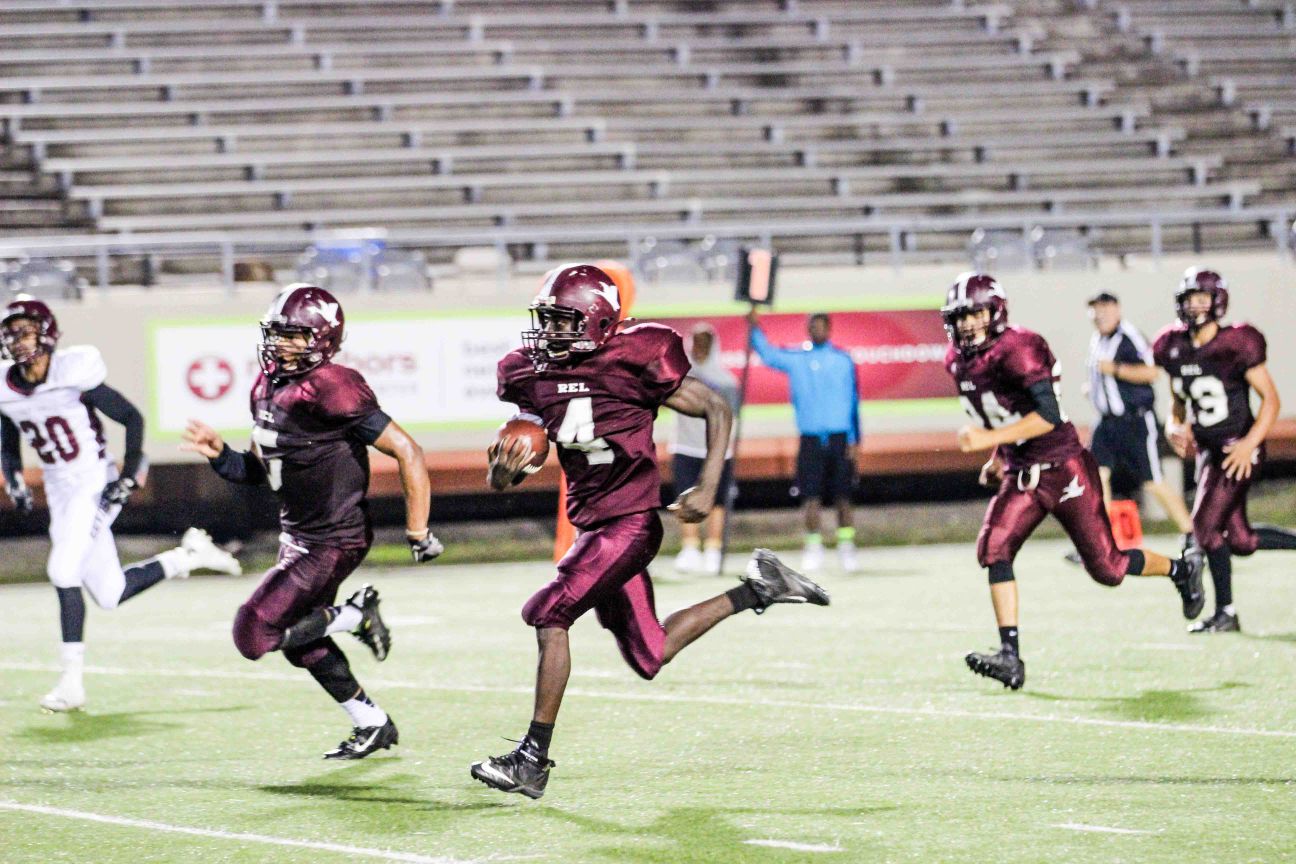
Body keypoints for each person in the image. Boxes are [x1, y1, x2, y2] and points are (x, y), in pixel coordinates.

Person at [472, 264, 829, 799]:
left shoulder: (634, 355)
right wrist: (502, 473)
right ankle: (759, 587)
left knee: (548, 613)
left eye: (563, 321)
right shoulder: (530, 371)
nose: (549, 332)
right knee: (650, 655)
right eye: (546, 319)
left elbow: (714, 405)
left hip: (631, 523)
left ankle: (532, 759)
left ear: (596, 323)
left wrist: (709, 487)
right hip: (594, 526)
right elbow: (518, 456)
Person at [182, 283, 444, 758]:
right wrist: (221, 455)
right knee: (301, 640)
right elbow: (261, 472)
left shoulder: (334, 386)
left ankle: (354, 615)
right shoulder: (265, 387)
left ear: (322, 339)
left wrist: (418, 529)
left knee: (253, 632)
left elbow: (408, 450)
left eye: (293, 336)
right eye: (276, 334)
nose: (279, 344)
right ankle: (372, 722)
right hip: (298, 535)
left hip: (335, 538)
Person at [942, 273, 1204, 690]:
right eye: (961, 316)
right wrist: (997, 455)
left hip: (1063, 468)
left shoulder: (1020, 347)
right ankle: (1010, 656)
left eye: (976, 313)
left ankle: (1180, 570)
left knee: (1109, 568)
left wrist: (989, 441)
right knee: (994, 549)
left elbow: (1046, 413)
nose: (969, 324)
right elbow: (1006, 413)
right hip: (1021, 470)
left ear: (995, 312)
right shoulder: (958, 362)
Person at [0, 298, 241, 713]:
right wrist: (14, 475)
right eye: (11, 333)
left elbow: (132, 418)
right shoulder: (6, 387)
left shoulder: (73, 371)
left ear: (45, 332)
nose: (18, 341)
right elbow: (6, 432)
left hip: (95, 482)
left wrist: (128, 475)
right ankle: (188, 556)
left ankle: (71, 684)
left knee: (62, 569)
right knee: (109, 593)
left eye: (25, 331)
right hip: (61, 490)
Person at [1152, 268, 1296, 633]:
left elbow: (1271, 401)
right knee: (1241, 540)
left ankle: (1225, 612)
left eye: (1202, 298)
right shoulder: (1174, 346)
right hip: (1208, 450)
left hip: (1237, 448)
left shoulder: (1237, 345)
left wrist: (1250, 444)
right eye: (1190, 299)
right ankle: (1226, 612)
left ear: (1217, 301)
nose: (1195, 306)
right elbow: (1178, 401)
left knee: (1203, 529)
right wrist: (1173, 425)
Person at [747, 307, 861, 572]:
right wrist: (754, 328)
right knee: (810, 496)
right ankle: (814, 547)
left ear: (829, 328)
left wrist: (856, 439)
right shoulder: (797, 358)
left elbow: (854, 401)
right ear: (807, 329)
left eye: (821, 326)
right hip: (810, 439)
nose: (816, 330)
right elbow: (768, 355)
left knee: (844, 496)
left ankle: (846, 548)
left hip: (840, 438)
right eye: (812, 326)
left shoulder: (843, 360)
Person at [1084, 291, 1194, 539]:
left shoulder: (1129, 337)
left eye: (1105, 308)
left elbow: (1152, 372)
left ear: (1117, 309)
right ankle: (1104, 539)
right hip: (1105, 422)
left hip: (1135, 421)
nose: (1100, 315)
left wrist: (1116, 369)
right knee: (1097, 477)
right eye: (1096, 309)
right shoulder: (1097, 339)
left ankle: (1191, 533)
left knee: (1153, 480)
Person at [671, 322, 739, 575]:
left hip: (717, 450)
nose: (700, 348)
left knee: (717, 501)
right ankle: (690, 549)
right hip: (686, 446)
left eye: (705, 343)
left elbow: (733, 415)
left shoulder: (727, 381)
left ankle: (713, 548)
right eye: (696, 342)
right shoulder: (679, 375)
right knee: (685, 497)